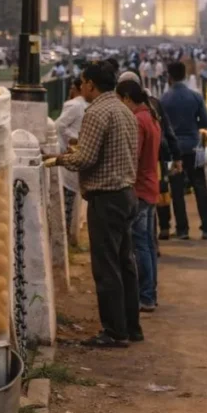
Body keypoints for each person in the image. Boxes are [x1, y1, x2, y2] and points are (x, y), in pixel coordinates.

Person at [55, 63, 141, 348]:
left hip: (107, 198)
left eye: (82, 82)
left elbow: (85, 159)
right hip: (126, 193)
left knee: (107, 267)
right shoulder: (123, 110)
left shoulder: (97, 111)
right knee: (125, 263)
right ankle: (131, 326)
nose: (81, 87)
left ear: (91, 84)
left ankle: (114, 332)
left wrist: (58, 159)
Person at [116, 79, 162, 310]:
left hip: (141, 188)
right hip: (150, 185)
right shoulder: (151, 117)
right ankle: (149, 292)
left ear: (126, 98)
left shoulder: (138, 121)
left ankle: (145, 296)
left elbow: (133, 156)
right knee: (148, 244)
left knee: (141, 244)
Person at [160, 60, 207, 240]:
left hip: (174, 152)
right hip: (195, 147)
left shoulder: (164, 99)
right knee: (199, 185)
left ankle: (182, 229)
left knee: (176, 190)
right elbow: (205, 122)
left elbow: (161, 126)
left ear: (169, 77)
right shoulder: (195, 96)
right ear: (184, 75)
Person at [55, 79, 89, 248]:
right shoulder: (77, 105)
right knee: (68, 199)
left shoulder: (78, 105)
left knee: (70, 198)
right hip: (69, 156)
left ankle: (68, 237)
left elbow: (60, 125)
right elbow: (60, 126)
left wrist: (74, 140)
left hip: (73, 155)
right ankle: (66, 238)